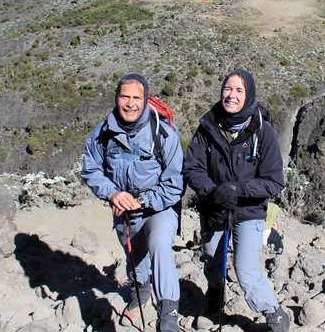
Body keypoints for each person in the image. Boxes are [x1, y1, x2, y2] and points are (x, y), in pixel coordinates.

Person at [183, 70, 291, 332]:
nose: (231, 95)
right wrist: (212, 191)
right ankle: (214, 300)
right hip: (214, 208)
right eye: (227, 89)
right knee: (211, 257)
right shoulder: (207, 127)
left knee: (245, 269)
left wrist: (239, 189)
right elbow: (192, 168)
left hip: (249, 211)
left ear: (249, 95)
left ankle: (275, 315)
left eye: (239, 91)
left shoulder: (262, 132)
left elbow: (274, 181)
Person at [81, 73, 183, 332]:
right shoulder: (102, 134)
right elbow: (91, 169)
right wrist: (112, 194)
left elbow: (175, 185)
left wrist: (141, 201)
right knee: (135, 257)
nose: (130, 103)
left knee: (159, 246)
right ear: (117, 98)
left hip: (159, 207)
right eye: (124, 96)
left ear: (145, 100)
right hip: (124, 211)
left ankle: (168, 317)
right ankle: (140, 293)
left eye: (136, 98)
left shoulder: (163, 134)